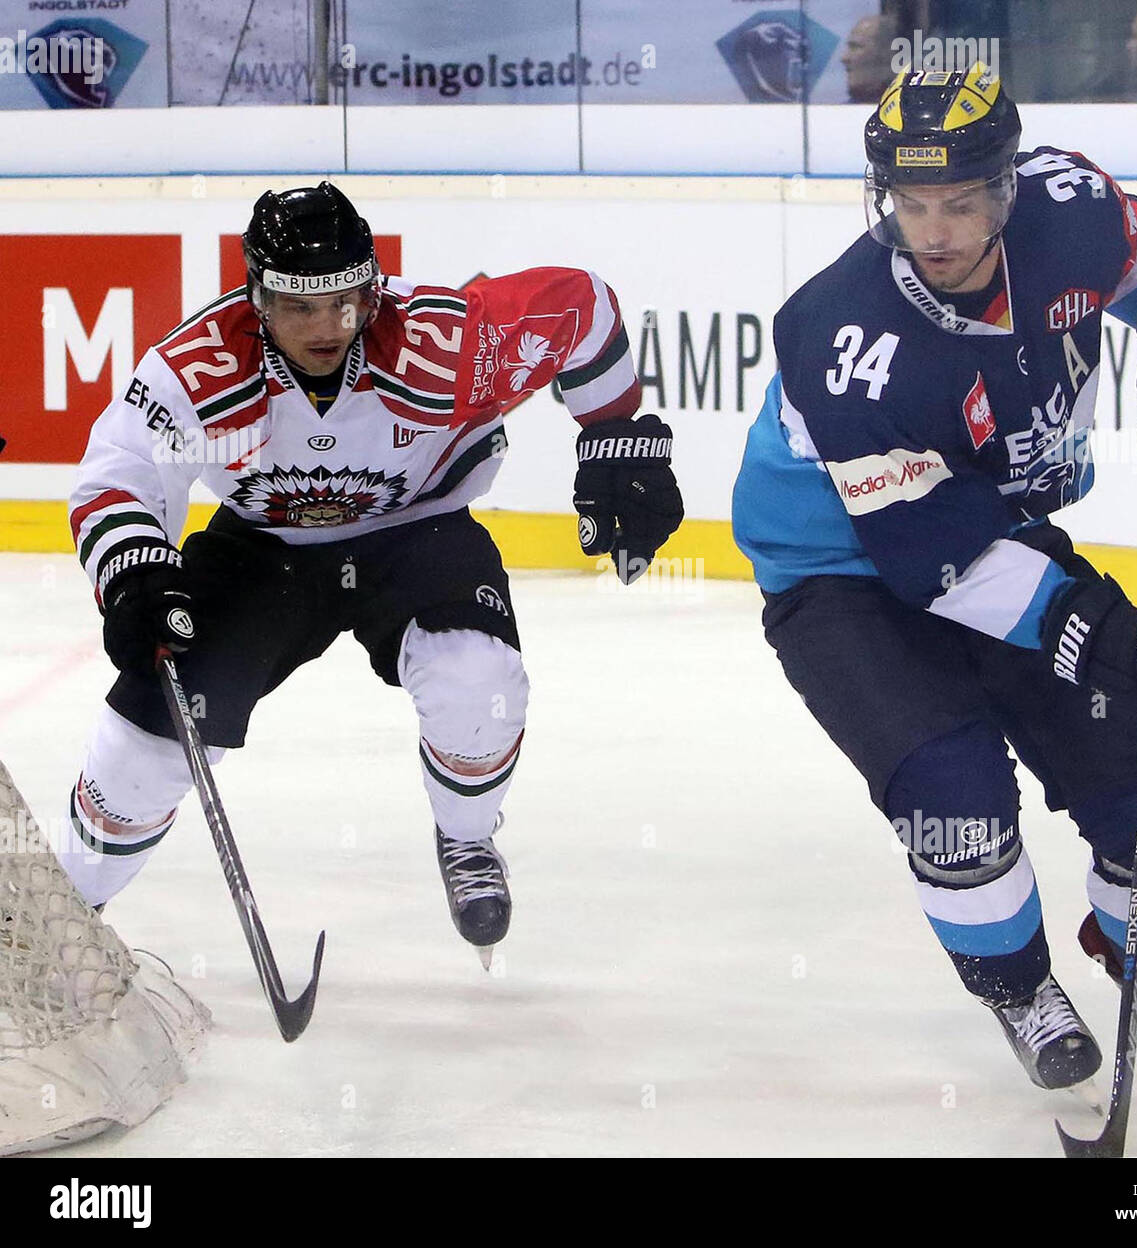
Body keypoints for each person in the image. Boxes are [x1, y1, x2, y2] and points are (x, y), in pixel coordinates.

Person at [732, 66, 1137, 1091]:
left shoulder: (1069, 207)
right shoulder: (842, 338)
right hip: (842, 569)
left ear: (1008, 190)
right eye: (909, 204)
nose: (933, 230)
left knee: (1136, 753)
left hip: (990, 525)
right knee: (956, 797)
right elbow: (936, 558)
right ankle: (1018, 987)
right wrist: (1105, 633)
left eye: (959, 201)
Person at [63, 183, 683, 963]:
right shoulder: (201, 367)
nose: (328, 326)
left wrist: (614, 434)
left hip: (415, 534)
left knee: (477, 680)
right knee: (139, 752)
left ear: (373, 286)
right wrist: (133, 569)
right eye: (299, 306)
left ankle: (466, 839)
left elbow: (581, 309)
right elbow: (118, 471)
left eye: (347, 301)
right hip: (262, 550)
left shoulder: (447, 343)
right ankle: (55, 920)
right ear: (258, 297)